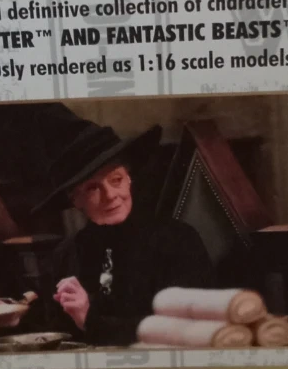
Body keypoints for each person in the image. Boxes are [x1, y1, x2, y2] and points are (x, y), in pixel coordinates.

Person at [35, 116, 214, 347]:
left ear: (129, 179)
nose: (110, 195)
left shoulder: (178, 241)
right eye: (93, 188)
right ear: (75, 200)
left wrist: (90, 320)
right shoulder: (65, 256)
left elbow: (184, 327)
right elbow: (53, 335)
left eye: (116, 180)